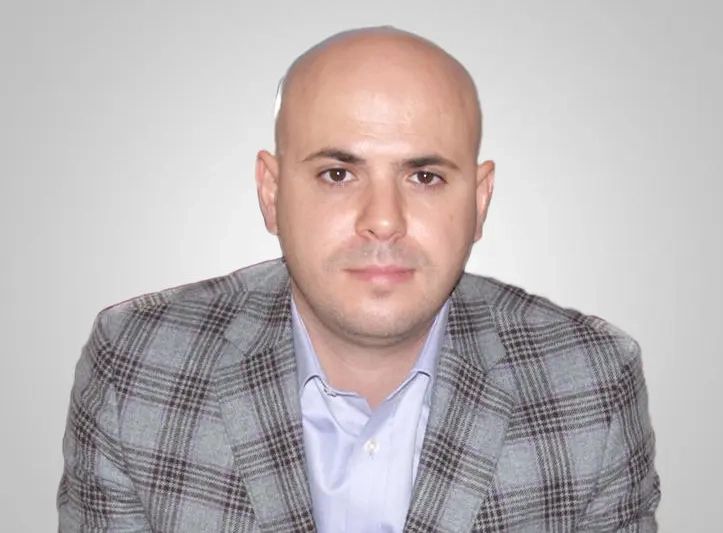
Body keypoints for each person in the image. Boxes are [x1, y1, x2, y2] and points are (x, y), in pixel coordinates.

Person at [58, 26, 660, 532]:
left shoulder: (593, 383)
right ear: (271, 193)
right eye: (338, 174)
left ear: (479, 202)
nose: (383, 220)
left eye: (424, 177)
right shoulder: (135, 364)